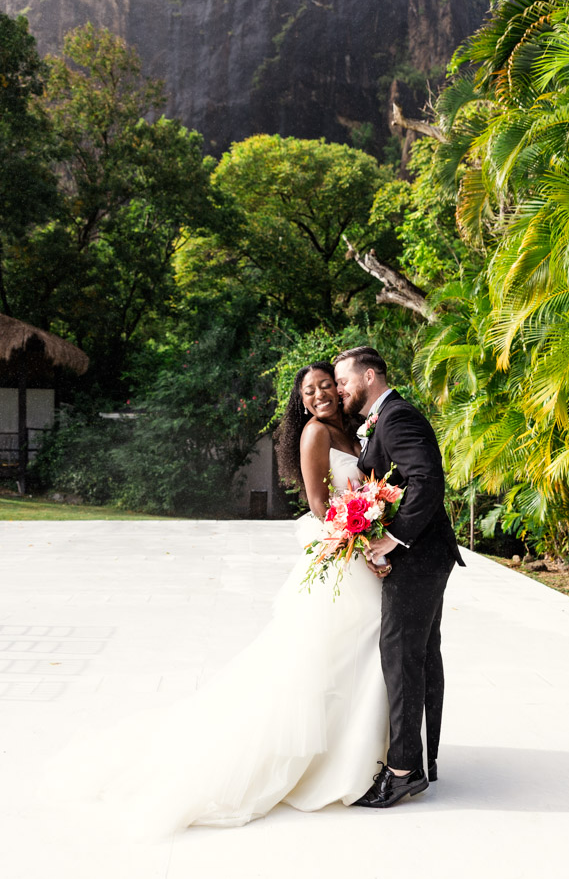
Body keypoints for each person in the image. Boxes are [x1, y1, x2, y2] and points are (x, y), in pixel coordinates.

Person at [47, 362, 388, 836]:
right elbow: (317, 503)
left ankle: (352, 753)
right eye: (309, 391)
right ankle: (334, 762)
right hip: (343, 549)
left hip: (358, 549)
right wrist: (361, 534)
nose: (319, 395)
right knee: (334, 653)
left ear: (339, 386)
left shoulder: (351, 431)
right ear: (301, 400)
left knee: (356, 652)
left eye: (326, 385)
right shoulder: (315, 434)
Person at [334, 346, 465, 809]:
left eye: (344, 381)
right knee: (418, 655)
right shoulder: (382, 419)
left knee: (402, 655)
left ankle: (404, 772)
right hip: (423, 555)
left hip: (420, 555)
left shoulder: (397, 417)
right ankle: (422, 761)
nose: (340, 389)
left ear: (369, 376)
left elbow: (427, 479)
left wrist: (394, 538)